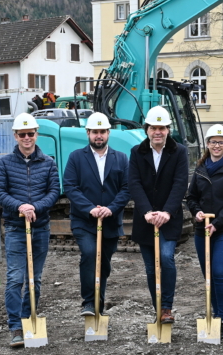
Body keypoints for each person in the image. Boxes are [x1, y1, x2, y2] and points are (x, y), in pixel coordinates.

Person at [0, 113, 60, 347]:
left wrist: (35, 207)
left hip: (40, 228)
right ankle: (15, 326)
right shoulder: (4, 163)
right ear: (15, 136)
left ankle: (28, 318)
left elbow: (54, 192)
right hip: (15, 228)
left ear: (36, 134)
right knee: (14, 279)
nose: (27, 138)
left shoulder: (48, 162)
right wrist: (20, 206)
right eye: (22, 134)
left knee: (35, 279)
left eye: (31, 133)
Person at [63, 112, 130, 316]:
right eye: (94, 132)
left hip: (110, 221)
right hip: (84, 221)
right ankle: (89, 302)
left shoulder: (120, 158)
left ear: (108, 133)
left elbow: (126, 188)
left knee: (104, 262)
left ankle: (99, 303)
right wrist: (90, 208)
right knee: (90, 254)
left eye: (102, 132)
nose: (98, 135)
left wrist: (111, 208)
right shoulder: (76, 157)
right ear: (88, 133)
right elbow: (70, 187)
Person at [128, 106, 189, 324]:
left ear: (168, 130)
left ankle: (166, 308)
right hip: (145, 220)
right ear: (147, 129)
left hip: (168, 217)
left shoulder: (179, 151)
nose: (158, 132)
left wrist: (167, 212)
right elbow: (133, 183)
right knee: (150, 266)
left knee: (165, 257)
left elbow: (180, 183)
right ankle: (157, 309)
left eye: (162, 128)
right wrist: (146, 211)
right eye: (154, 128)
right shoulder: (137, 152)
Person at [185, 124, 223, 340]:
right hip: (203, 232)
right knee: (208, 276)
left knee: (220, 272)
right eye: (213, 142)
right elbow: (190, 197)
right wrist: (197, 212)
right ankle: (214, 318)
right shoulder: (200, 170)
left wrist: (217, 223)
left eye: (221, 142)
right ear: (207, 144)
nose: (217, 145)